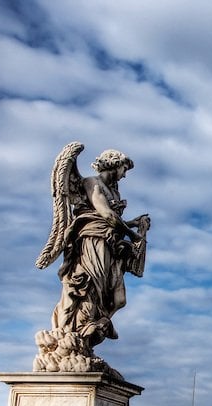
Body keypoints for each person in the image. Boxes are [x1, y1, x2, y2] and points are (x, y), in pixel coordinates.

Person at [35, 143, 151, 375]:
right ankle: (75, 334)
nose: (124, 175)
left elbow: (113, 219)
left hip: (109, 245)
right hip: (91, 242)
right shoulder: (91, 183)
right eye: (123, 169)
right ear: (114, 165)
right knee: (88, 289)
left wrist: (133, 223)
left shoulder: (114, 192)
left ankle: (94, 328)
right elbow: (106, 214)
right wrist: (132, 234)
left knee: (117, 298)